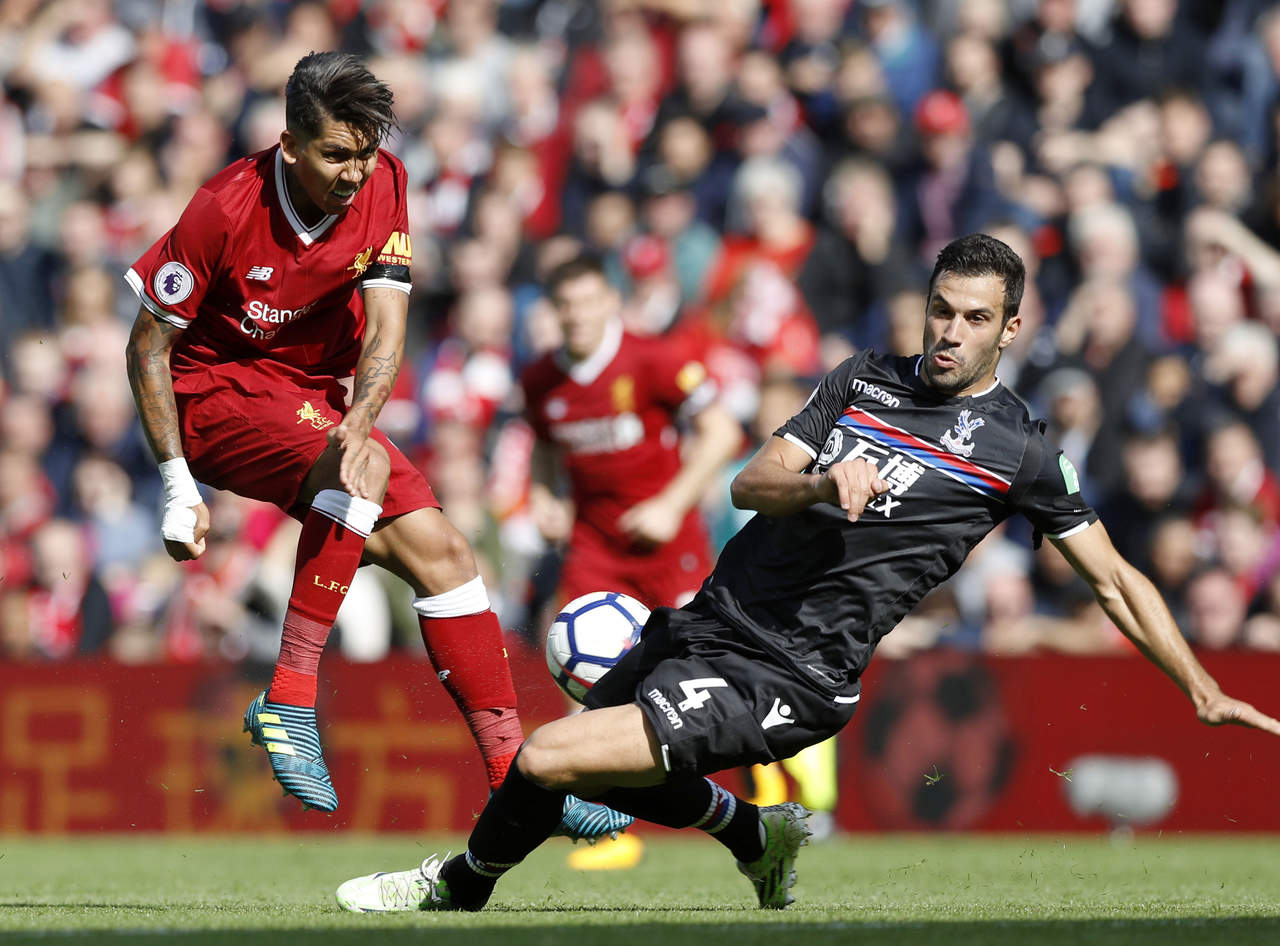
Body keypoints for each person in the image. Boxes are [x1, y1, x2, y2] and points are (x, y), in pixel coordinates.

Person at [334, 234, 1280, 913]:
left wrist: (1199, 685)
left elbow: (1115, 580)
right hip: (712, 619)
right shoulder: (861, 380)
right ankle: (756, 835)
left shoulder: (1019, 451)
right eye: (941, 310)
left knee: (547, 758)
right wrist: (824, 482)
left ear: (1011, 328)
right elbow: (751, 482)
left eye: (975, 319)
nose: (950, 332)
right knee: (586, 776)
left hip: (793, 671)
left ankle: (451, 891)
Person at [122, 52, 628, 842]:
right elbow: (146, 347)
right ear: (289, 144)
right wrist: (176, 485)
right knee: (361, 472)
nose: (353, 173)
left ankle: (520, 785)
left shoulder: (386, 181)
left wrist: (357, 424)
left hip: (313, 396)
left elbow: (388, 326)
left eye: (363, 152)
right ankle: (290, 696)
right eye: (335, 155)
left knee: (447, 555)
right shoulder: (222, 208)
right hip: (214, 392)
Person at [522, 253, 742, 868]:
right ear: (554, 312)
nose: (577, 316)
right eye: (566, 306)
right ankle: (607, 831)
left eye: (588, 302)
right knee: (579, 677)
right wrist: (544, 495)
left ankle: (749, 802)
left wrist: (671, 505)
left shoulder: (653, 359)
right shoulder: (540, 379)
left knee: (698, 680)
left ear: (611, 302)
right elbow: (544, 446)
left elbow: (723, 433)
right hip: (595, 549)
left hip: (670, 548)